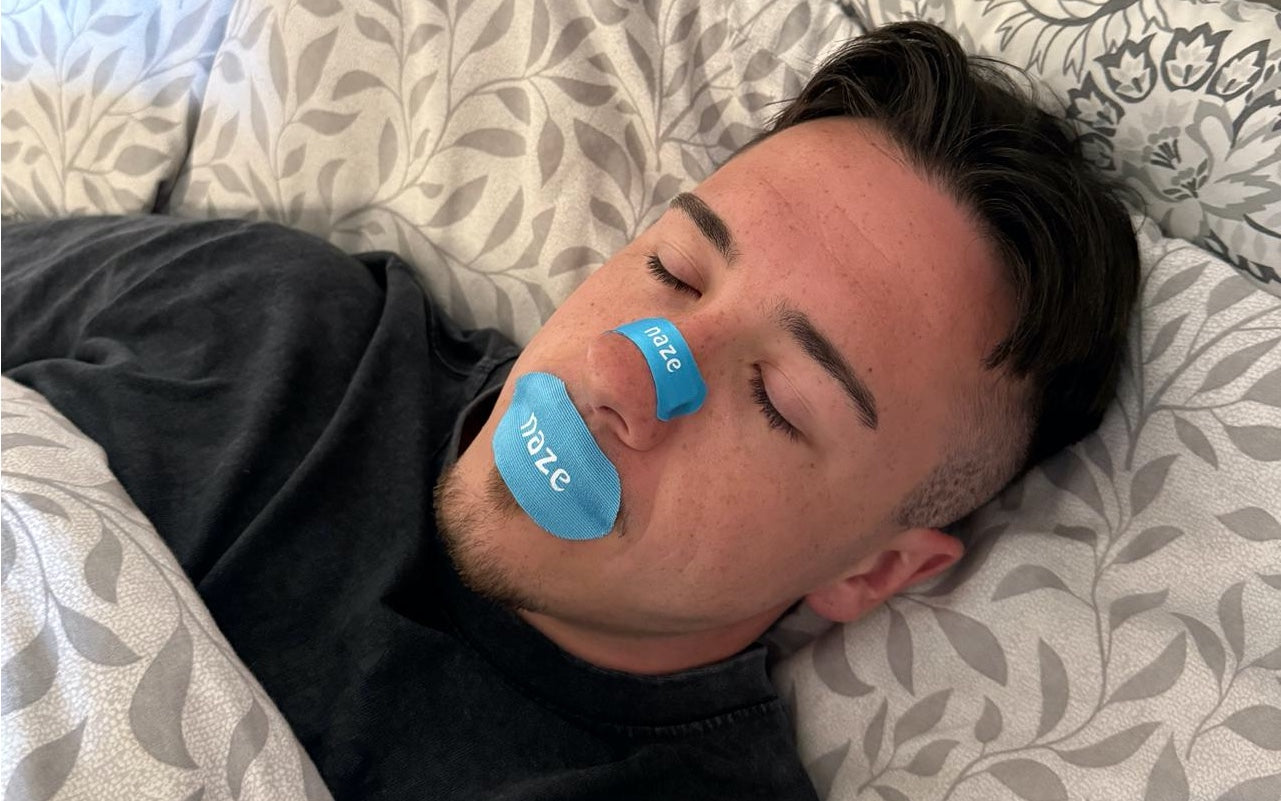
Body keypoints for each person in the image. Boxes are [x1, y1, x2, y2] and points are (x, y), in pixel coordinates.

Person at [1, 21, 1138, 801]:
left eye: (778, 399)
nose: (624, 375)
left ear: (873, 572)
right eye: (675, 270)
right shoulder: (268, 320)